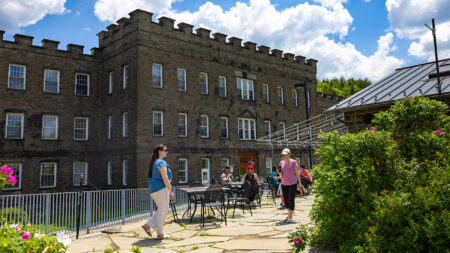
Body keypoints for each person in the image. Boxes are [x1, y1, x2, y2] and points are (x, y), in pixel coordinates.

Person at [141, 144, 173, 239]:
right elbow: (165, 178)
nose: (167, 152)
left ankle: (147, 225)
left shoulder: (154, 162)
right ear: (160, 151)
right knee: (163, 211)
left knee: (161, 210)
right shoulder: (161, 162)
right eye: (165, 150)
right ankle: (160, 234)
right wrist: (170, 190)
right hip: (161, 190)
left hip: (154, 190)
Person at [279, 148, 302, 223]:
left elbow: (297, 173)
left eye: (285, 154)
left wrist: (300, 183)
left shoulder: (293, 162)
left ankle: (290, 216)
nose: (284, 156)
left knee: (291, 199)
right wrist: (279, 178)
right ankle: (290, 214)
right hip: (284, 184)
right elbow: (281, 173)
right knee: (286, 201)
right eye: (283, 154)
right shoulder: (281, 162)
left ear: (289, 154)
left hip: (292, 183)